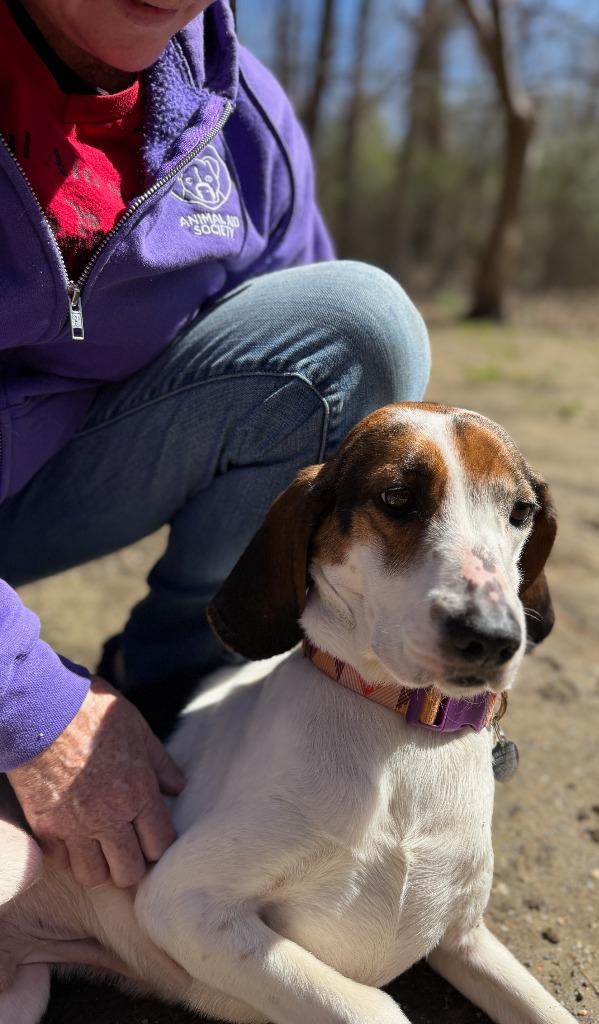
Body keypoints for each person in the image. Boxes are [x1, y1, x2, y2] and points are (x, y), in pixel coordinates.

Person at [0, 0, 430, 892]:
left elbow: (324, 404)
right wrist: (34, 708)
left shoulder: (240, 120)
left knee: (357, 332)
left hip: (48, 488)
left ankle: (180, 689)